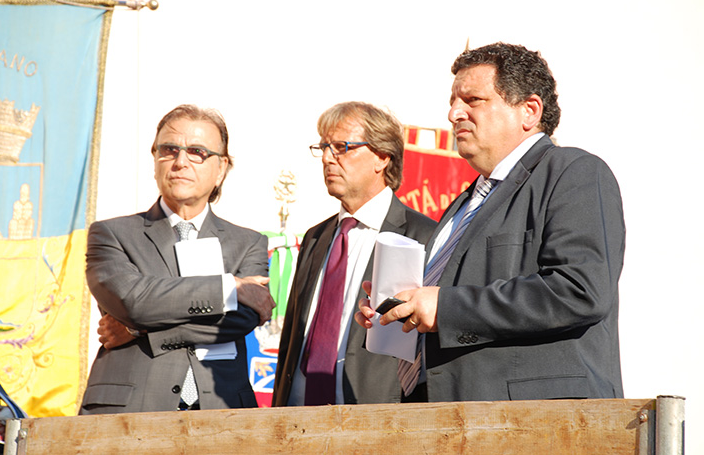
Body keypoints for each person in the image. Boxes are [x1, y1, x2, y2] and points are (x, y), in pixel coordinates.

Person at [356, 42, 625, 402]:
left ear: (529, 111)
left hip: (535, 415)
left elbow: (579, 289)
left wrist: (445, 308)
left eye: (473, 100)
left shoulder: (573, 172)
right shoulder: (465, 203)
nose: (454, 113)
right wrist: (401, 308)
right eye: (453, 102)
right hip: (446, 411)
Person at [80, 104, 275, 414]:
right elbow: (135, 302)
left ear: (221, 168)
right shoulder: (111, 234)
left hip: (222, 411)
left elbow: (242, 318)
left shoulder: (248, 243)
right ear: (155, 160)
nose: (180, 162)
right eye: (169, 150)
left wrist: (137, 331)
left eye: (197, 152)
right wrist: (229, 289)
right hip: (130, 411)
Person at [273, 102, 436, 406]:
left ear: (382, 157)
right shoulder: (315, 237)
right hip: (297, 413)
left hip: (376, 415)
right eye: (324, 147)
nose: (327, 158)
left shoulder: (423, 236)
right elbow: (292, 338)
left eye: (341, 147)